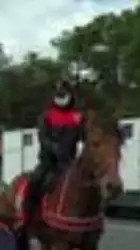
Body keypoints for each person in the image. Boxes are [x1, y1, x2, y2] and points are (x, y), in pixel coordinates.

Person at [24, 79, 85, 223]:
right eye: (59, 93)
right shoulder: (46, 116)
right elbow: (43, 138)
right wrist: (56, 150)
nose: (61, 96)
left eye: (64, 93)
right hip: (49, 162)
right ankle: (29, 215)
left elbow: (85, 137)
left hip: (70, 161)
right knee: (34, 181)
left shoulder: (78, 117)